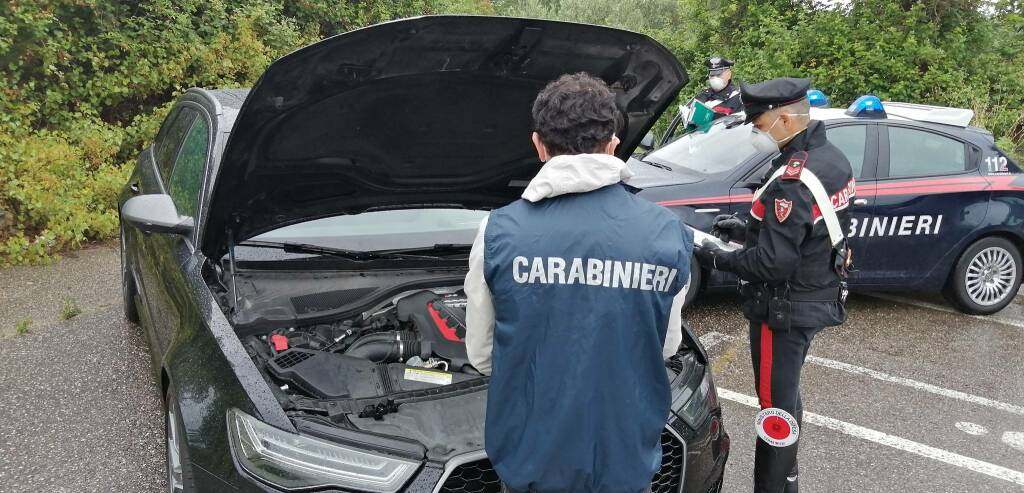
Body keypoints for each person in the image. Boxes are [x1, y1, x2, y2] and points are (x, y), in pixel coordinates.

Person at [464, 72, 693, 493]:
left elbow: (482, 353)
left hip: (531, 461)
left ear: (538, 145)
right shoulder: (669, 232)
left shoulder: (497, 231)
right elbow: (666, 344)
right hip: (625, 460)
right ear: (613, 145)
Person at [694, 77, 855, 493]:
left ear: (785, 118)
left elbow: (773, 263)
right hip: (815, 295)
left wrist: (714, 255)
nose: (753, 130)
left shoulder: (794, 177)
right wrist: (748, 230)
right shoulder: (831, 157)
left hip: (782, 308)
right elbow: (806, 234)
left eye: (758, 122)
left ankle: (772, 485)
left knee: (775, 408)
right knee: (788, 395)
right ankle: (788, 481)